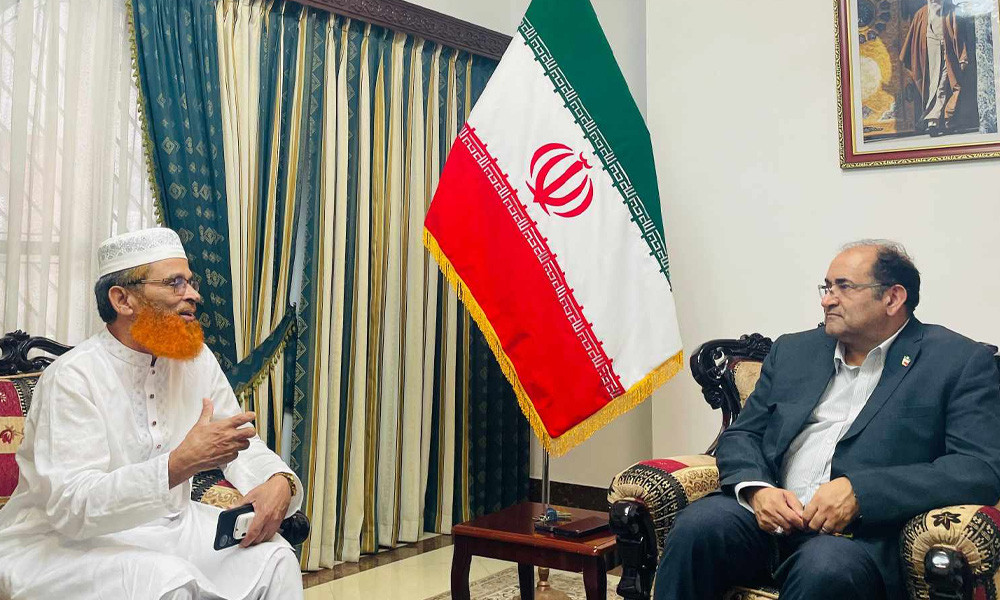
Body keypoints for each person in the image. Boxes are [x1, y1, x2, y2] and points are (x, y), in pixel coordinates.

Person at [653, 240, 1000, 600]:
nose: (827, 300)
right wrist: (757, 490)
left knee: (825, 568)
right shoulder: (794, 351)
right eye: (827, 287)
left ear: (893, 298)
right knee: (698, 526)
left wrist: (861, 493)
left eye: (843, 287)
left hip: (854, 539)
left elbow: (977, 469)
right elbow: (743, 434)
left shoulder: (956, 361)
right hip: (767, 520)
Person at [0, 228, 305, 599]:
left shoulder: (195, 360)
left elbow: (239, 441)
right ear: (122, 299)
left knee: (275, 558)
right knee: (166, 581)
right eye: (175, 283)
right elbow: (72, 507)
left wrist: (279, 480)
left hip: (172, 528)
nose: (193, 295)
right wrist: (177, 465)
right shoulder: (72, 377)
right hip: (64, 544)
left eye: (190, 283)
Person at [899, 0, 979, 136]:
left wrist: (962, 55)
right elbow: (914, 37)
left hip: (949, 52)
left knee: (943, 85)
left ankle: (932, 121)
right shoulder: (921, 13)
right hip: (931, 51)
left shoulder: (951, 10)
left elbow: (959, 35)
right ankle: (941, 122)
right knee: (933, 86)